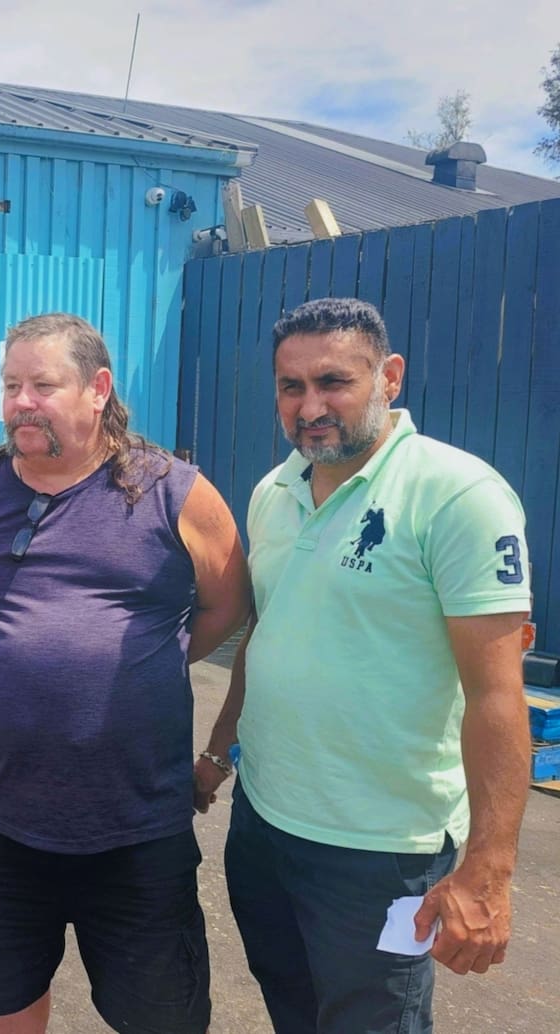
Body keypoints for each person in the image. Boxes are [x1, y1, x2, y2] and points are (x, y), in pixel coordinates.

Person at [194, 297, 532, 1034]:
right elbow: (266, 636)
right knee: (293, 1005)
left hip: (382, 851)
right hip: (266, 825)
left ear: (390, 378)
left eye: (333, 381)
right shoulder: (273, 490)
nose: (310, 406)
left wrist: (489, 871)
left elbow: (497, 695)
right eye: (290, 387)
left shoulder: (456, 495)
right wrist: (218, 754)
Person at [0, 312, 250, 1033]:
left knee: (159, 1015)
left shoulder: (173, 493)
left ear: (97, 390)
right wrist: (9, 656)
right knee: (7, 1002)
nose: (21, 402)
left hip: (134, 826)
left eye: (43, 384)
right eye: (11, 385)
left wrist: (145, 662)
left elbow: (227, 605)